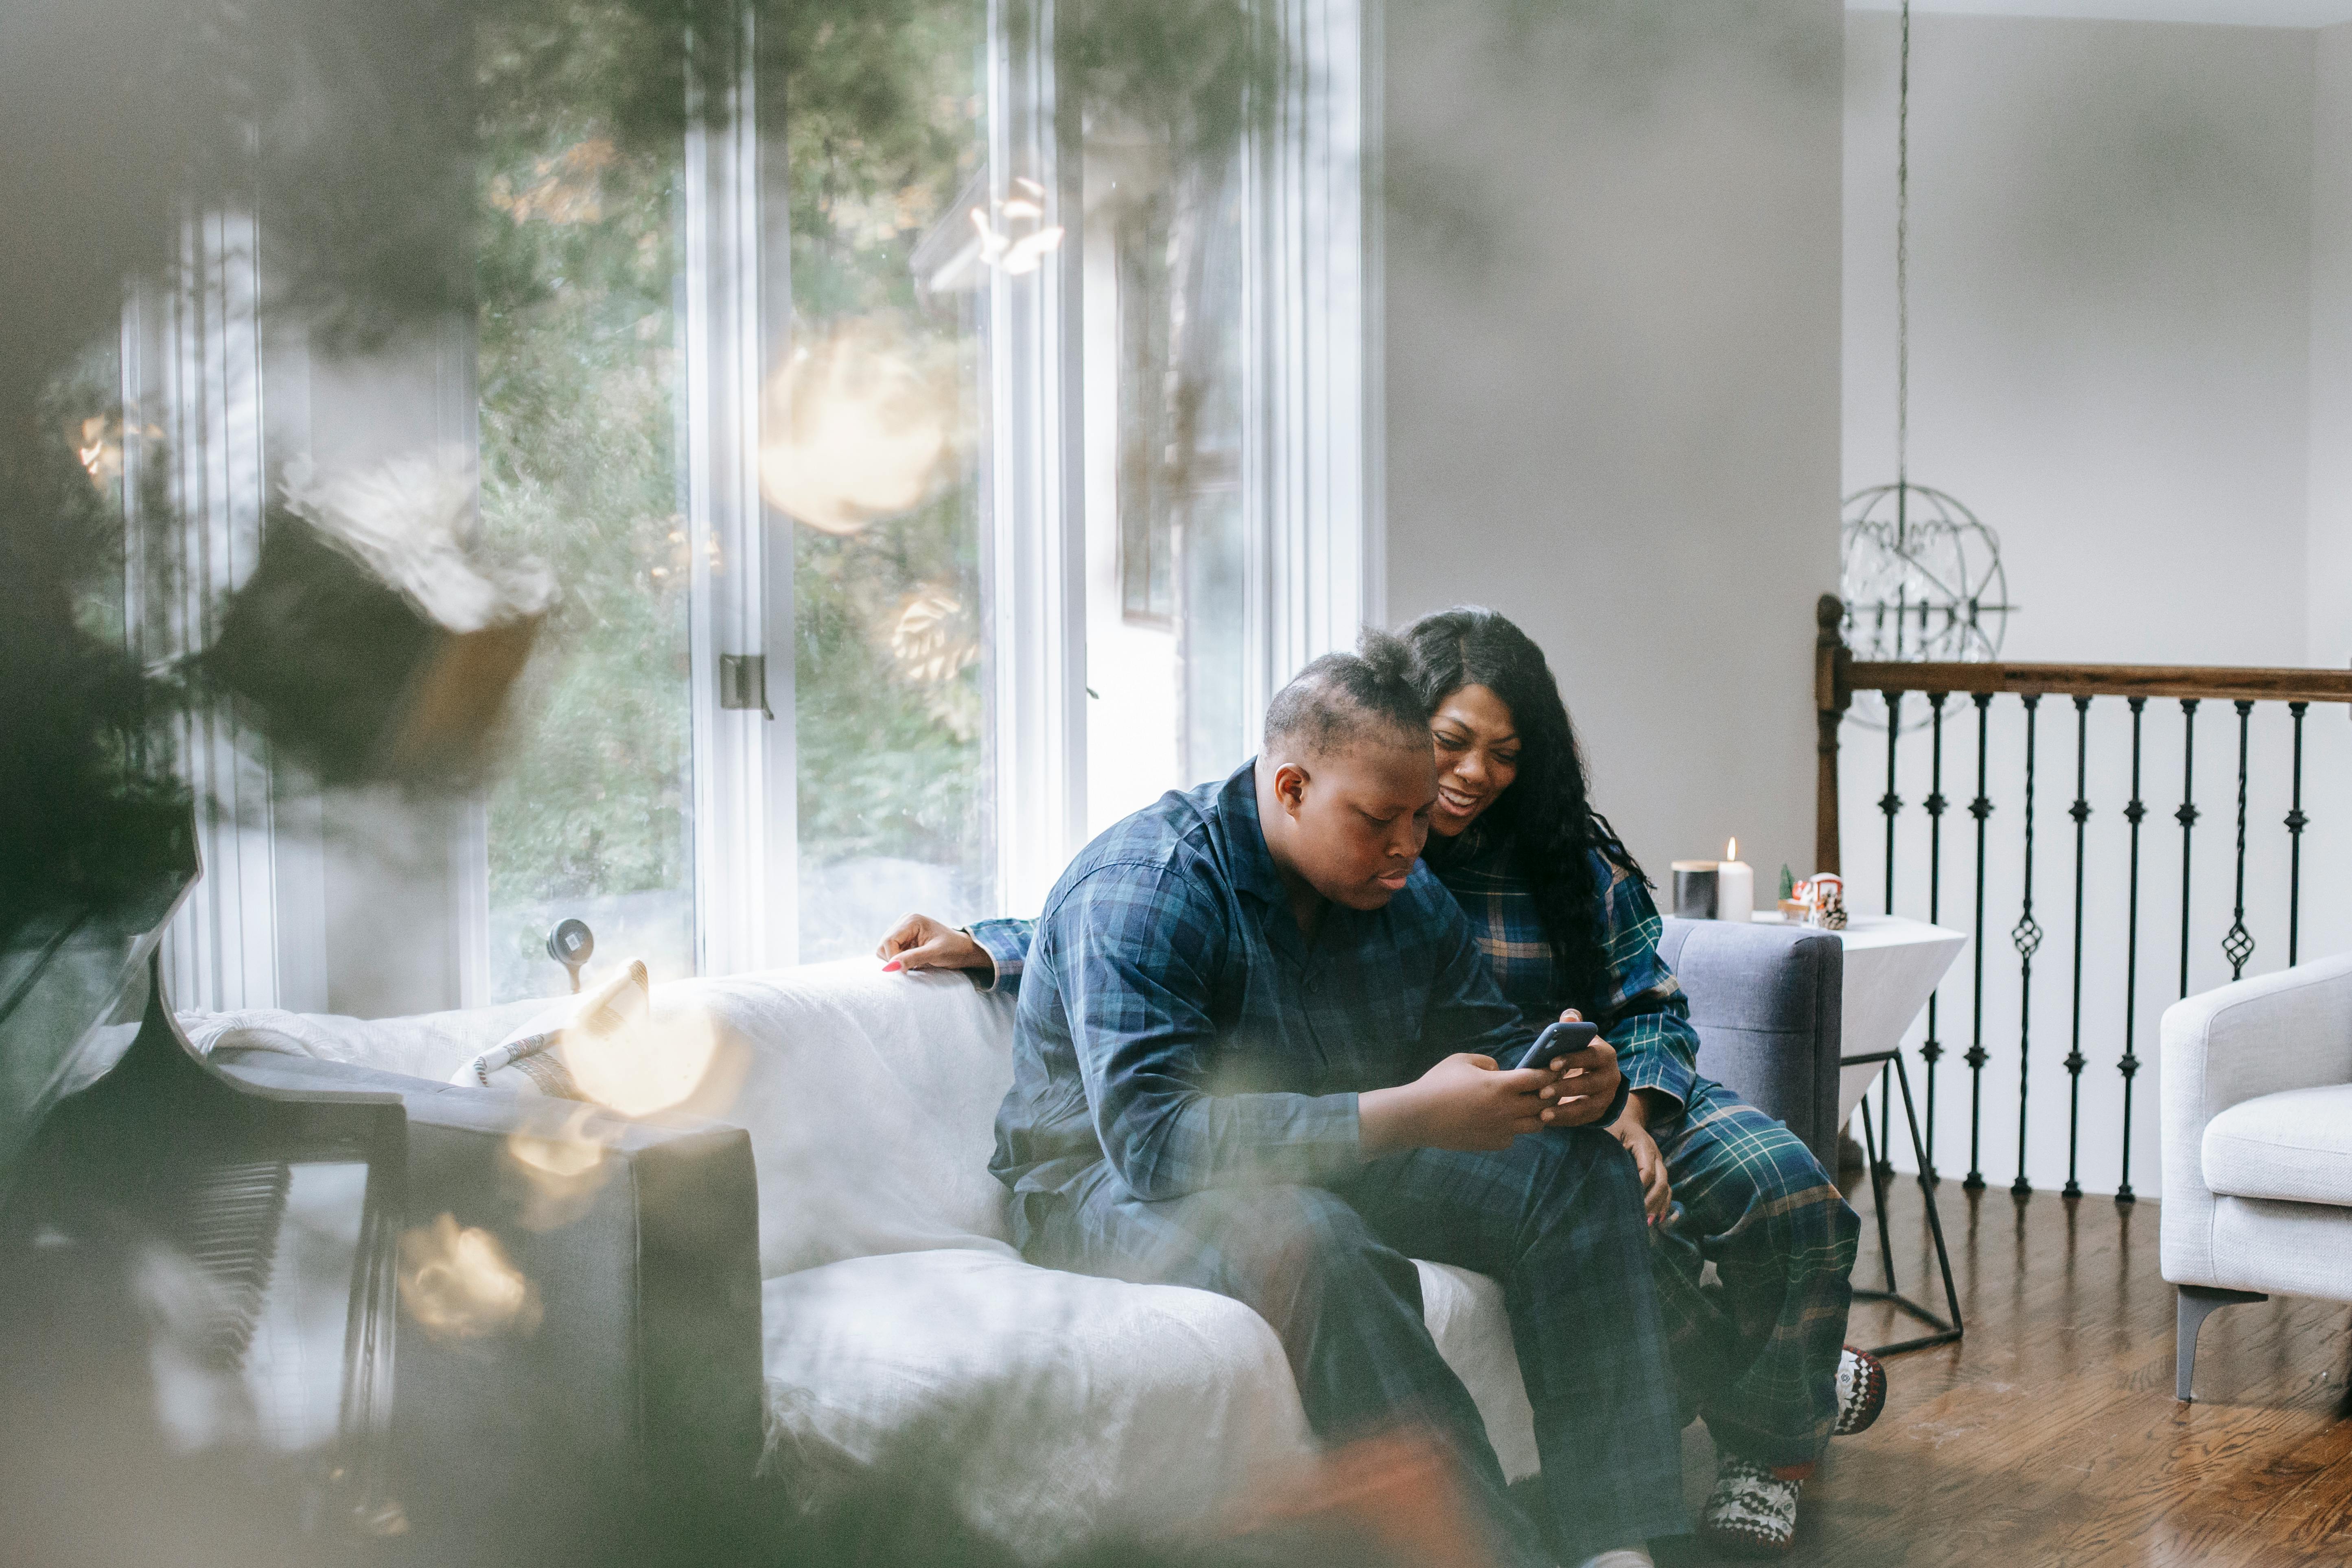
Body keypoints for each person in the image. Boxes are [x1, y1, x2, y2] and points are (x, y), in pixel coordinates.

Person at [883, 608, 1880, 1558]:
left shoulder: (1401, 884)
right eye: (1379, 819)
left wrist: (1577, 1084)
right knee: (1312, 1234)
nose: (1411, 844)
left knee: (1579, 1178)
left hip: (1328, 1152)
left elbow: (1490, 1031)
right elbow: (1153, 1141)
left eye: (1416, 815)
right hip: (1104, 1186)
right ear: (1289, 789)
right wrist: (1407, 1113)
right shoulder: (1147, 885)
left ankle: (1614, 1544)